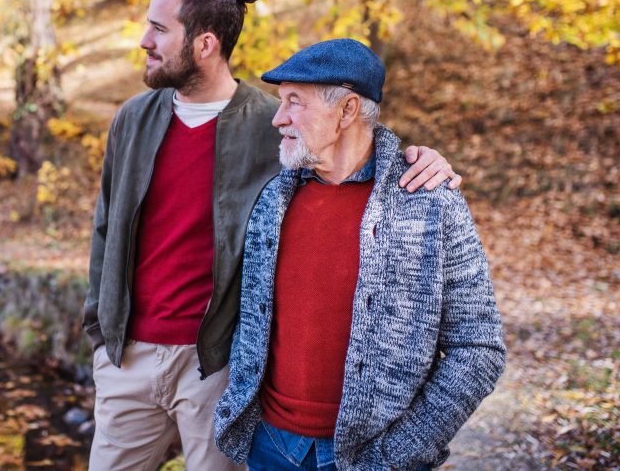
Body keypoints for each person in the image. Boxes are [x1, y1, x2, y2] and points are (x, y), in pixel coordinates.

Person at [84, 0, 462, 470]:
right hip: (125, 358)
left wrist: (423, 159)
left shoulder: (273, 124)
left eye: (158, 28)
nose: (143, 41)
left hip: (215, 365)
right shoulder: (133, 117)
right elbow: (106, 228)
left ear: (204, 45)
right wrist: (100, 335)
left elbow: (352, 138)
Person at [213, 38, 506, 470]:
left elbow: (478, 347)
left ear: (348, 110)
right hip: (269, 446)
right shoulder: (273, 199)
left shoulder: (428, 202)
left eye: (295, 101)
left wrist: (398, 453)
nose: (279, 118)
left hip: (372, 455)